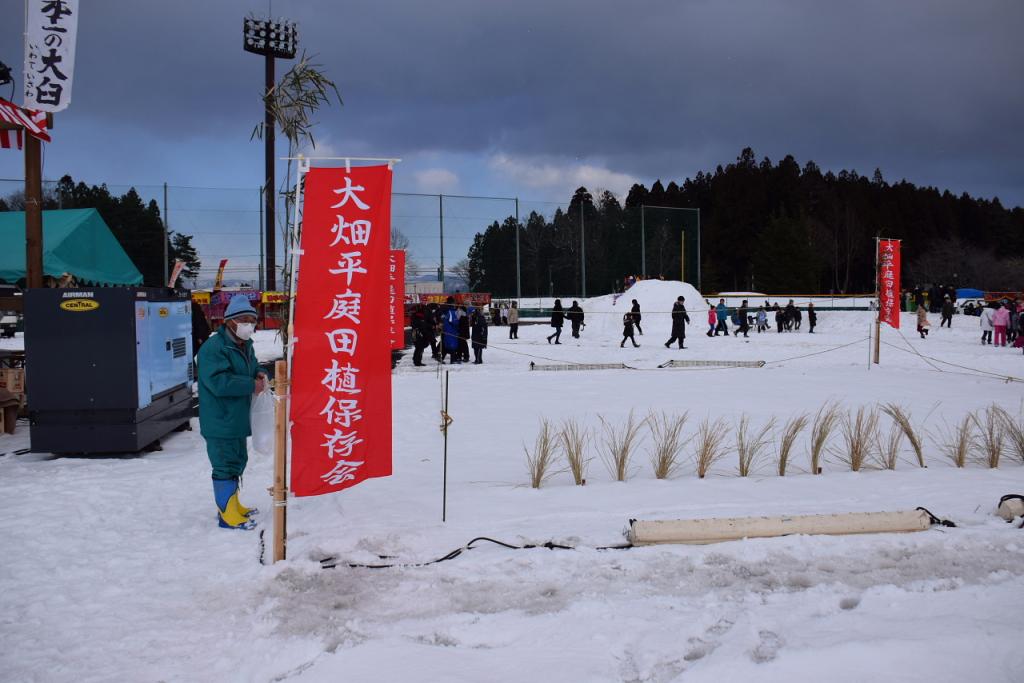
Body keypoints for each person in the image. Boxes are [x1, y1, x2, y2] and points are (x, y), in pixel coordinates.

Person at [197, 295, 266, 530]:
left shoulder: (245, 344)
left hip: (236, 417)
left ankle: (234, 505)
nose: (249, 324)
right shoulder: (213, 348)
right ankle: (227, 515)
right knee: (224, 464)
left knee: (238, 460)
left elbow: (253, 364)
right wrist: (250, 385)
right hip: (219, 419)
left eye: (252, 320)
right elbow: (218, 382)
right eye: (243, 320)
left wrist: (258, 373)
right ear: (229, 322)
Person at [440, 297, 461, 363]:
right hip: (451, 331)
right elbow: (454, 322)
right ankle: (452, 360)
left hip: (447, 330)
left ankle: (443, 358)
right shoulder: (451, 312)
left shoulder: (445, 309)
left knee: (447, 345)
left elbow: (443, 318)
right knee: (452, 345)